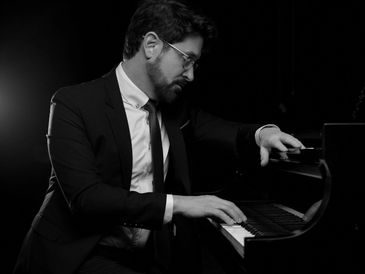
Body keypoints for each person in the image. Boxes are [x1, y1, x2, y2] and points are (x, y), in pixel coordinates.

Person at [13, 0, 304, 273]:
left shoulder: (175, 108)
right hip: (77, 256)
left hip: (146, 257)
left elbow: (223, 129)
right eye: (186, 59)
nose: (191, 75)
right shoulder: (72, 103)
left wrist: (263, 134)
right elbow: (88, 199)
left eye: (196, 64)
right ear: (151, 45)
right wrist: (181, 204)